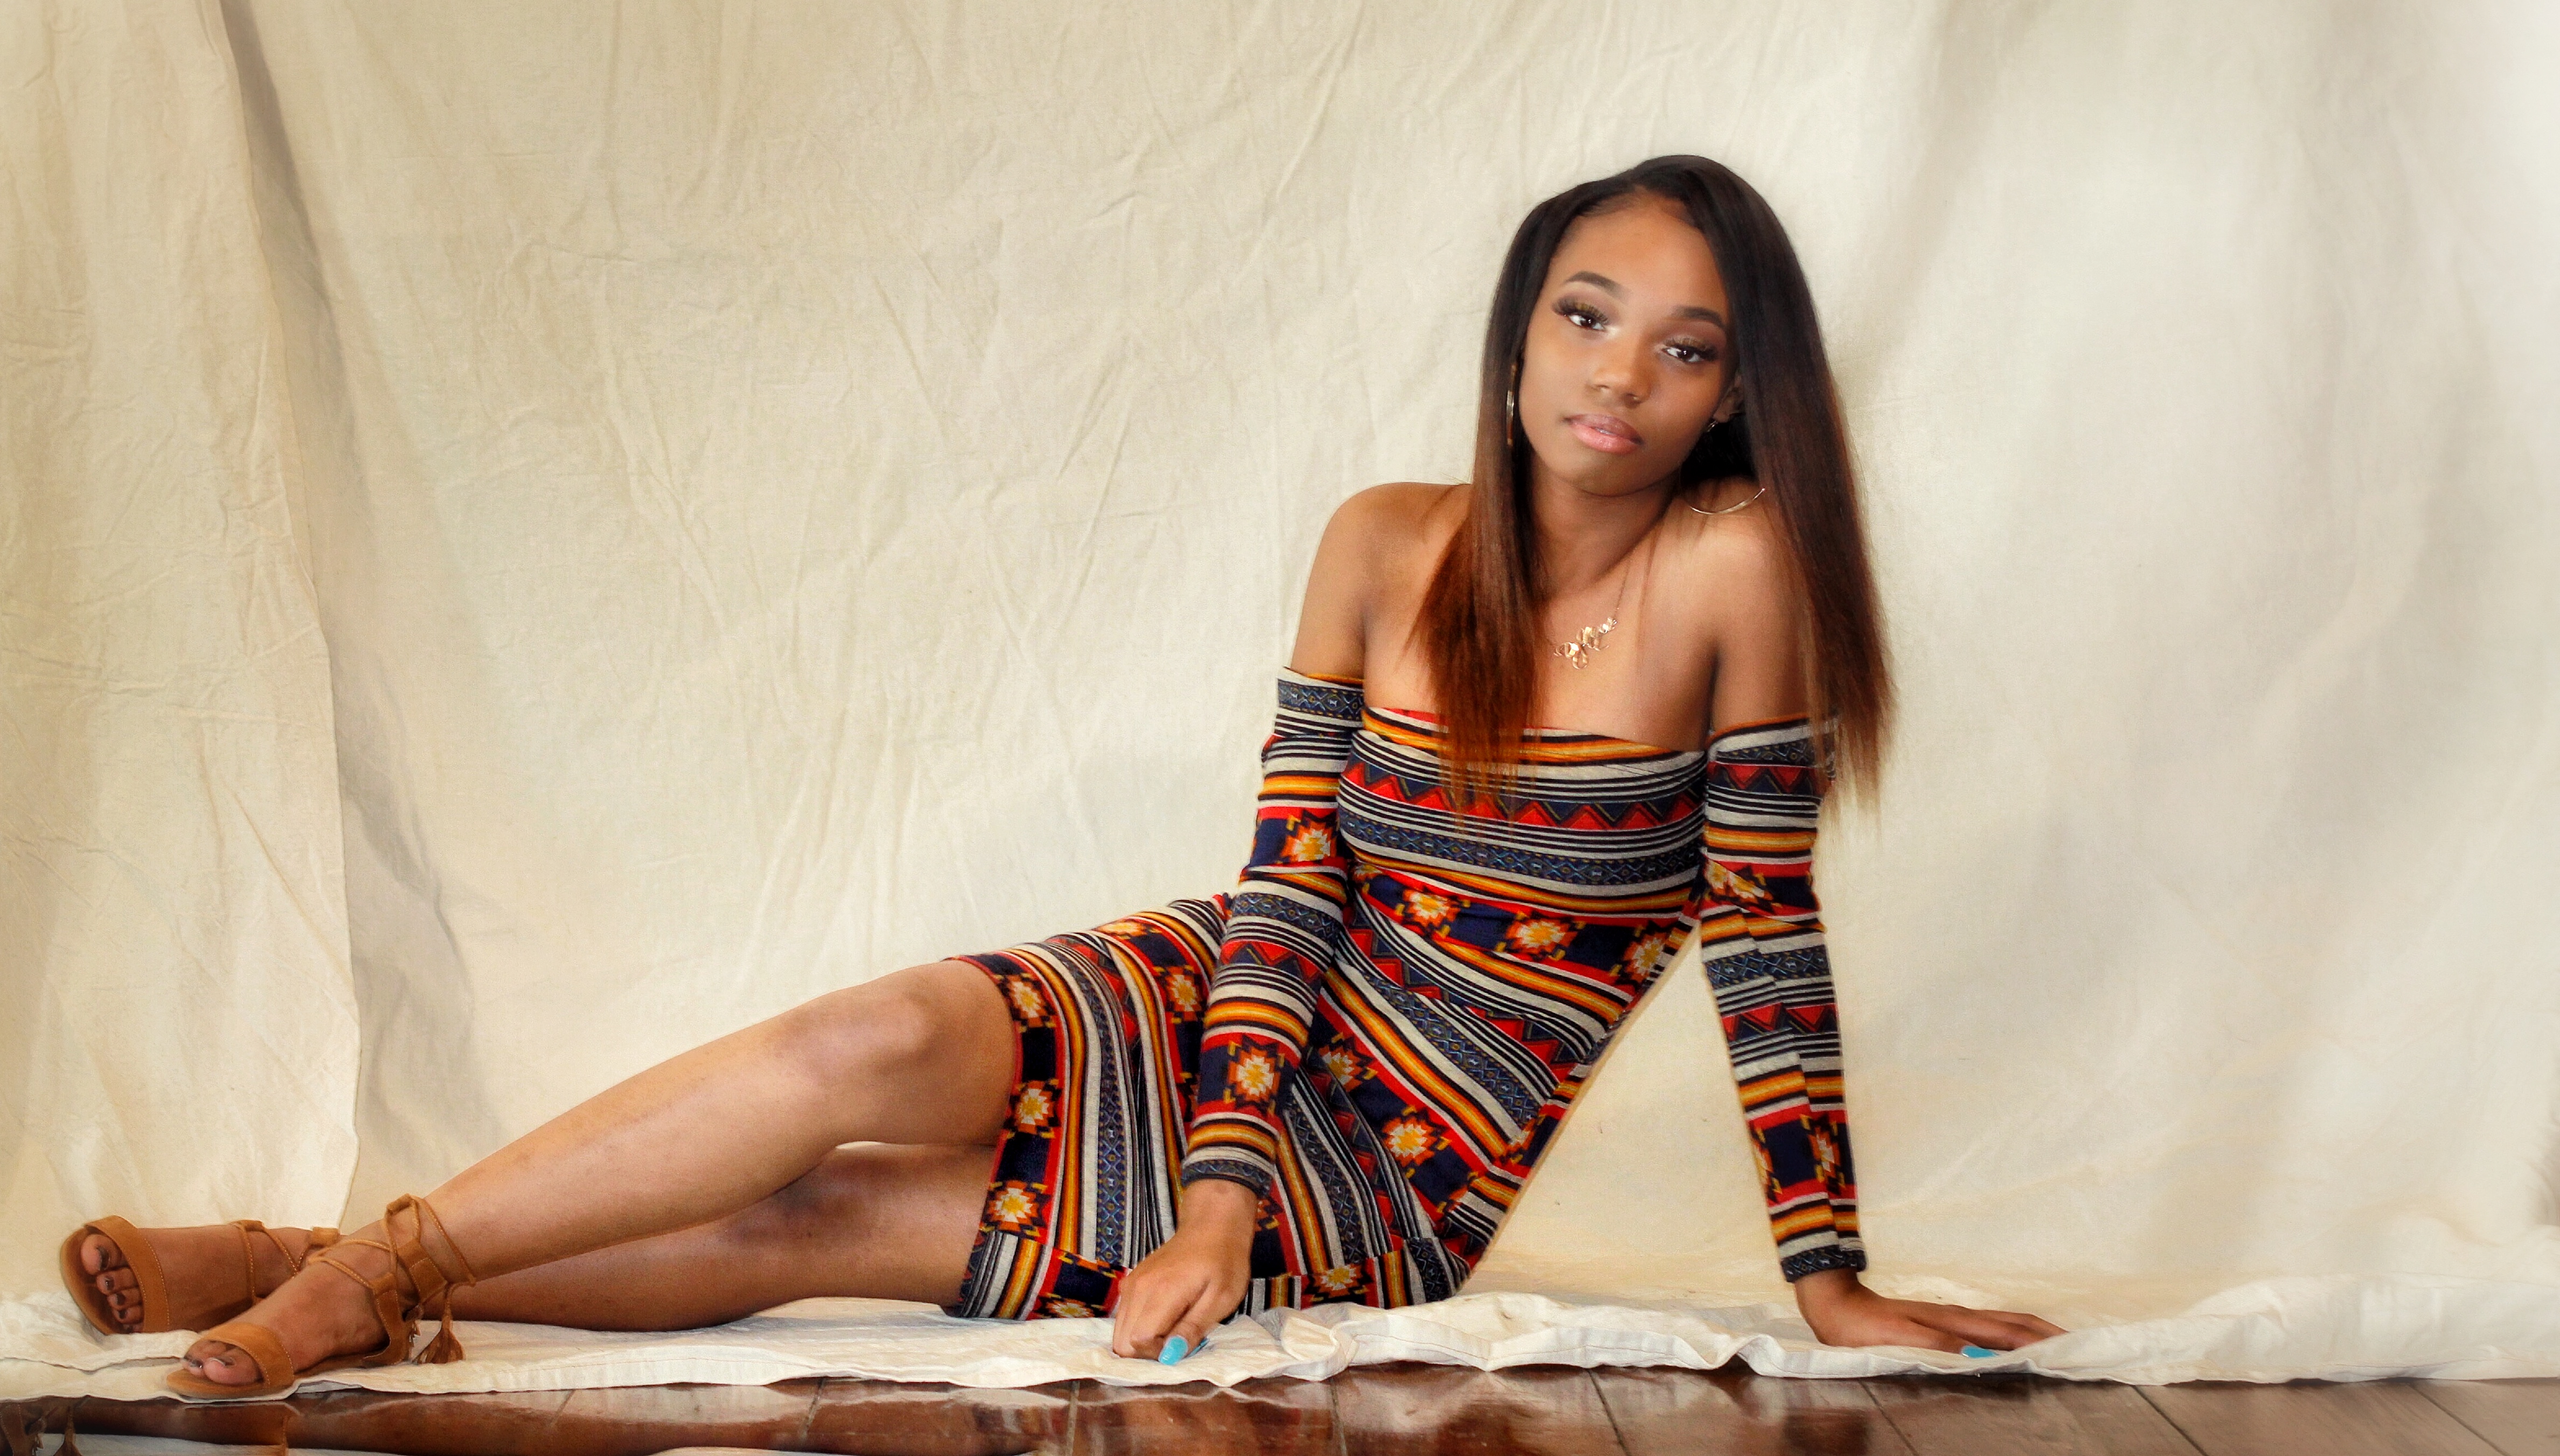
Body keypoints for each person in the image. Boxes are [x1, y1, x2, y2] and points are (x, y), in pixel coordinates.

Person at [60, 155, 2065, 1398]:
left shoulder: (1735, 569)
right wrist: (1211, 1170)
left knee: (825, 1221)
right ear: (1519, 329)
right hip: (1246, 992)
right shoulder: (1388, 541)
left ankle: (320, 1273)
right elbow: (1291, 884)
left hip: (1402, 1154)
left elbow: (1762, 932)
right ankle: (352, 1266)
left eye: (1686, 350)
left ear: (1739, 392)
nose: (1617, 376)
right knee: (859, 1041)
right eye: (1585, 315)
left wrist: (1829, 1282)